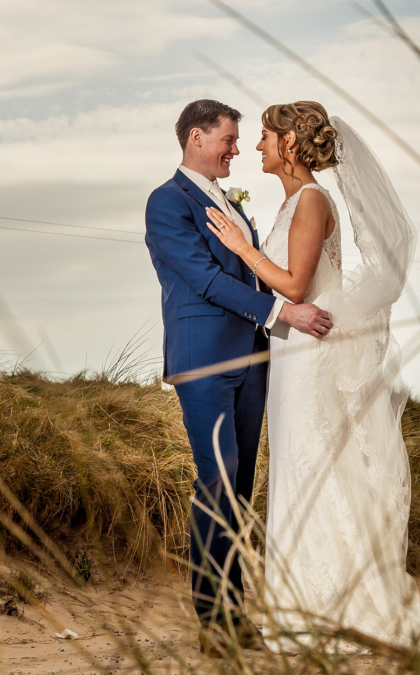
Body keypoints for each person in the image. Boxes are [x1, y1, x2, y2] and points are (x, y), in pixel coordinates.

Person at [205, 101, 420, 653]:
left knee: (312, 470)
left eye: (264, 138)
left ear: (292, 146)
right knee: (300, 471)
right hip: (290, 354)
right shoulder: (289, 205)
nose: (257, 147)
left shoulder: (311, 201)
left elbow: (296, 286)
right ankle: (300, 601)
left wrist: (240, 248)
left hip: (309, 358)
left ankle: (325, 607)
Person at [143, 99, 333, 657]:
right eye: (228, 139)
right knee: (217, 482)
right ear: (197, 137)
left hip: (252, 360)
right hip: (203, 359)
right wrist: (282, 312)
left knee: (241, 490)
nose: (235, 150)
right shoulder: (167, 202)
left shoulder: (231, 204)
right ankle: (213, 621)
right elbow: (202, 278)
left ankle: (233, 608)